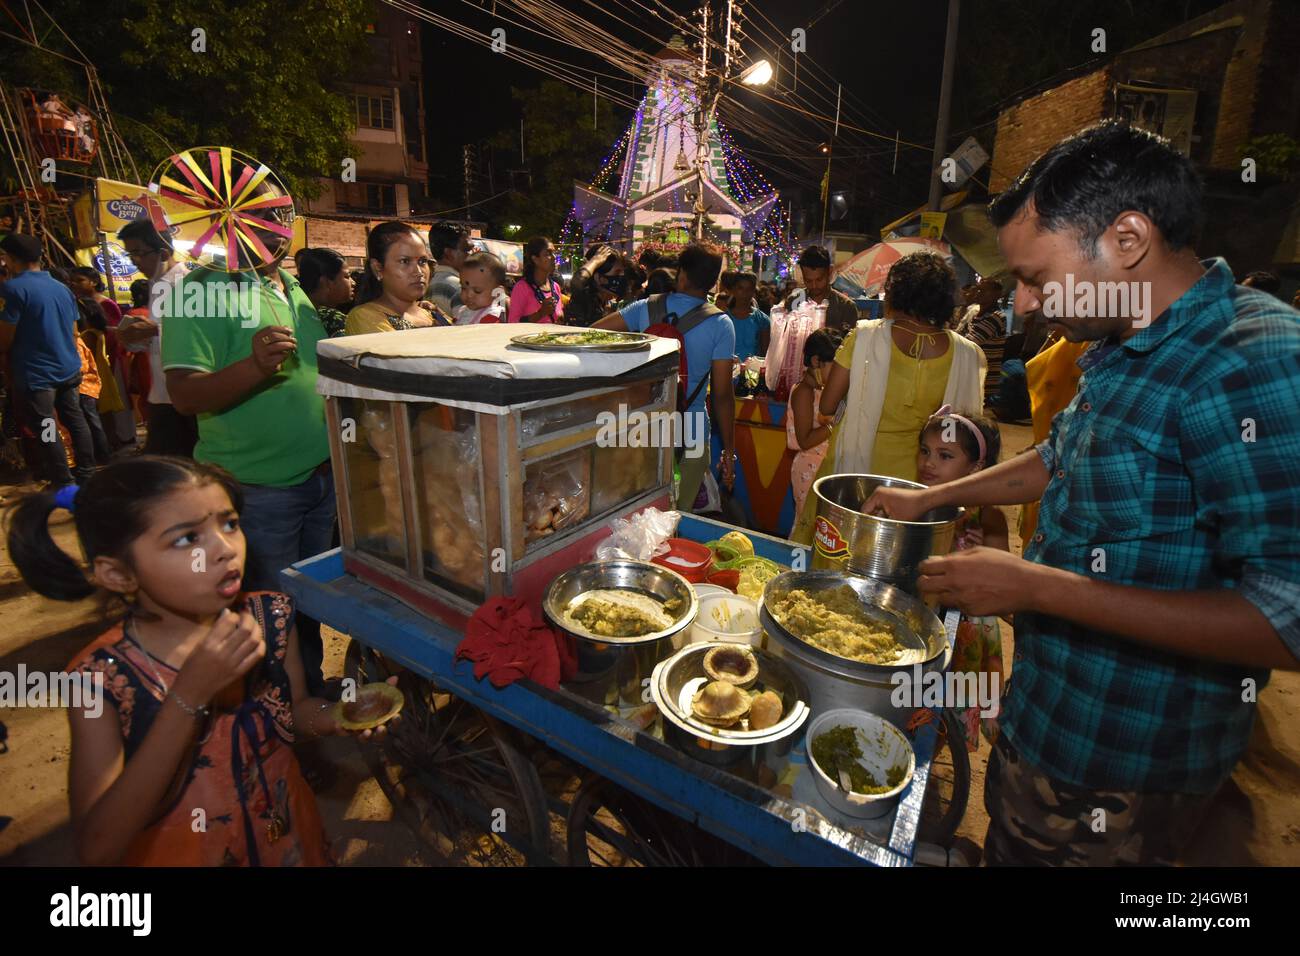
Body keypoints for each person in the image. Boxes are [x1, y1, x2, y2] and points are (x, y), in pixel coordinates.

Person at [866, 120, 1300, 867]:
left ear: (1127, 238)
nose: (1026, 304)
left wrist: (1038, 588)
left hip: (1126, 769)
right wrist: (931, 499)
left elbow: (1287, 616)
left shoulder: (1251, 362)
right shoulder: (1119, 347)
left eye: (1037, 276)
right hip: (1050, 723)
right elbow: (1057, 461)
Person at [5, 457, 392, 865]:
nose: (226, 550)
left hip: (286, 838)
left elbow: (292, 713)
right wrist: (188, 696)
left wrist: (338, 717)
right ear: (118, 575)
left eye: (229, 523)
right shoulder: (100, 680)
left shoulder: (270, 618)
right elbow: (98, 847)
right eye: (187, 539)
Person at [162, 184, 335, 700]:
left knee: (307, 608)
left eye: (279, 217)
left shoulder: (290, 286)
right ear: (222, 224)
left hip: (321, 479)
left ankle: (309, 693)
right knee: (268, 614)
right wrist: (253, 367)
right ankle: (278, 722)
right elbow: (184, 395)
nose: (273, 229)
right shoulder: (199, 291)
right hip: (259, 489)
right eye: (260, 219)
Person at [791, 250, 985, 543]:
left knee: (839, 552)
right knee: (897, 555)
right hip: (918, 479)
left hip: (854, 472)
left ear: (896, 292)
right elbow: (968, 426)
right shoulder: (966, 353)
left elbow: (828, 406)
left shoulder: (865, 337)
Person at [594, 242, 736, 511]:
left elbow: (593, 334)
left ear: (681, 273)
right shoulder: (721, 324)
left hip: (643, 423)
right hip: (692, 428)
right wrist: (729, 450)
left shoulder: (646, 307)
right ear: (713, 282)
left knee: (642, 513)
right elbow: (722, 396)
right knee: (677, 515)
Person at [914, 406, 1007, 751]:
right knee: (919, 692)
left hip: (967, 623)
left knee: (952, 698)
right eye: (925, 451)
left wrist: (987, 555)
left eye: (945, 455)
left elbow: (1003, 576)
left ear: (976, 469)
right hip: (927, 609)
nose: (929, 463)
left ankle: (937, 747)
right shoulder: (918, 501)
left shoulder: (989, 514)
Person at [0, 233, 96, 487]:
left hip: (37, 374)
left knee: (46, 427)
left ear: (8, 258)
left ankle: (62, 479)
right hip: (68, 367)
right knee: (75, 420)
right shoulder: (62, 287)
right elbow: (75, 331)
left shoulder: (12, 289)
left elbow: (4, 340)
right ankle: (87, 472)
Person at [116, 219, 197, 458]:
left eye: (139, 253)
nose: (134, 261)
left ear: (162, 251)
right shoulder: (156, 283)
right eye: (130, 254)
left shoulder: (187, 285)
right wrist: (135, 337)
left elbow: (199, 336)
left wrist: (155, 331)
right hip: (162, 392)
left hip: (185, 393)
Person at [345, 222, 438, 335]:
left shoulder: (432, 313)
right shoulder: (364, 316)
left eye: (422, 261)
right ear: (378, 268)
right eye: (405, 261)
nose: (419, 272)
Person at [785, 328, 839, 522]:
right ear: (816, 361)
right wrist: (835, 424)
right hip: (809, 468)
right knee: (807, 524)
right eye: (834, 368)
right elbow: (804, 440)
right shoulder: (804, 392)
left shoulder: (821, 389)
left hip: (820, 466)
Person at [782, 245, 859, 333]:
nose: (814, 286)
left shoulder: (846, 307)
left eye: (819, 280)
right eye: (808, 280)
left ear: (830, 272)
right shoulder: (793, 302)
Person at [955, 277, 1007, 408]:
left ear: (997, 295)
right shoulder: (975, 314)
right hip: (972, 378)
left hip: (982, 380)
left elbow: (968, 343)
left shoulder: (995, 317)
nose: (978, 293)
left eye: (984, 290)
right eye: (978, 289)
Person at [296, 247, 354, 338]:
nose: (353, 282)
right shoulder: (333, 319)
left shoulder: (295, 310)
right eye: (347, 276)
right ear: (326, 282)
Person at [564, 245, 626, 327]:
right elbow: (577, 282)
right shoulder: (584, 298)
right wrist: (595, 261)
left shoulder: (604, 302)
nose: (621, 276)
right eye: (617, 272)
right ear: (598, 278)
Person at [509, 236, 565, 324]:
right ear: (535, 259)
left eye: (554, 253)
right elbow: (512, 322)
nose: (554, 258)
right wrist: (540, 313)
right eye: (548, 254)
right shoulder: (522, 287)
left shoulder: (555, 287)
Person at [425, 222, 471, 314]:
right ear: (448, 253)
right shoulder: (460, 288)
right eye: (467, 250)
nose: (472, 255)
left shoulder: (431, 284)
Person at [726, 271, 770, 364]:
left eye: (749, 289)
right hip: (728, 371)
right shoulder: (724, 319)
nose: (745, 293)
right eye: (740, 288)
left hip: (752, 373)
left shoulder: (762, 319)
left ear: (754, 291)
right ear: (733, 289)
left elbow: (764, 354)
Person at [454, 251, 507, 324]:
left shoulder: (492, 317)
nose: (469, 295)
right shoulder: (463, 312)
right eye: (464, 288)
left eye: (477, 290)